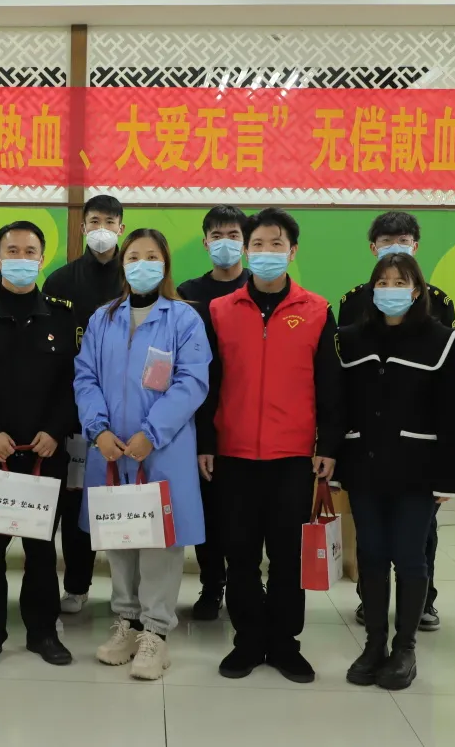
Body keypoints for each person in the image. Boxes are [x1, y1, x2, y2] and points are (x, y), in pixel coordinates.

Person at [200, 207, 343, 684]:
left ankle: (284, 643)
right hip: (234, 453)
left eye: (276, 244)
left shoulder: (317, 310)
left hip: (292, 456)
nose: (266, 252)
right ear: (246, 250)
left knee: (287, 555)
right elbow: (208, 383)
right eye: (257, 244)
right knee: (239, 553)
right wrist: (206, 442)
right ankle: (247, 641)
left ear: (292, 251)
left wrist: (328, 444)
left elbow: (330, 385)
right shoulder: (220, 311)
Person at [74, 228, 210, 680]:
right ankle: (127, 622)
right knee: (120, 536)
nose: (142, 264)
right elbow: (85, 377)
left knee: (159, 542)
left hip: (162, 448)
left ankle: (155, 632)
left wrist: (152, 433)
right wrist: (98, 430)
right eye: (134, 256)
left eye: (152, 256)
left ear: (165, 264)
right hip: (111, 450)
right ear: (123, 263)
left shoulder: (184, 319)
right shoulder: (102, 318)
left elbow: (192, 382)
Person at [335, 252, 455, 691]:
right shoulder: (349, 339)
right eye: (383, 282)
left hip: (418, 471)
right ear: (372, 289)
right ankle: (374, 644)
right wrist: (334, 461)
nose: (390, 290)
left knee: (410, 556)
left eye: (400, 282)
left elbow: (450, 414)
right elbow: (340, 406)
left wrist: (449, 477)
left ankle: (404, 649)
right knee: (371, 554)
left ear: (416, 291)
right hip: (364, 467)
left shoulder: (442, 340)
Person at [0, 221, 80, 671]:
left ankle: (43, 632)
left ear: (42, 259)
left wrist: (55, 430)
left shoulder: (62, 316)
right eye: (12, 250)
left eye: (30, 251)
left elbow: (73, 384)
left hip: (46, 454)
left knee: (41, 551)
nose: (21, 258)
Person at [44, 194, 126, 614]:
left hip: (126, 414)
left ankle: (129, 592)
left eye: (110, 222)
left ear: (121, 228)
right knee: (75, 500)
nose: (101, 229)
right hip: (72, 413)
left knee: (125, 502)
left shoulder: (134, 277)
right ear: (82, 227)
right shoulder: (60, 282)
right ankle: (76, 586)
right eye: (94, 221)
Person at [176, 205, 249, 621]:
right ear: (205, 242)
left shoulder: (258, 288)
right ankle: (211, 584)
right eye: (217, 235)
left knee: (240, 513)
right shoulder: (188, 292)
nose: (225, 243)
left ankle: (243, 585)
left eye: (233, 235)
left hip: (247, 414)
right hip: (199, 416)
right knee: (205, 509)